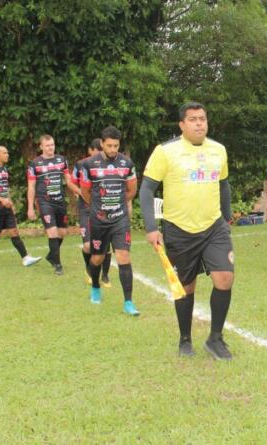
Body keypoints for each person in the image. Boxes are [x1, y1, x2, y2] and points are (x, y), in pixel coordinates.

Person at [140, 102, 235, 360]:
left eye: (202, 118)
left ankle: (216, 338)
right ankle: (185, 339)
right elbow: (147, 189)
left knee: (225, 278)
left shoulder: (219, 150)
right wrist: (151, 228)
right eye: (192, 119)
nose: (198, 123)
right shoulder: (165, 152)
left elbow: (224, 185)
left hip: (214, 226)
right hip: (179, 229)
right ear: (182, 125)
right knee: (186, 287)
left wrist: (226, 218)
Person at [80, 127, 139, 315]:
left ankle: (128, 302)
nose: (113, 149)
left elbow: (131, 190)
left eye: (116, 145)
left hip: (120, 219)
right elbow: (85, 192)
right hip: (98, 220)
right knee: (97, 258)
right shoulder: (89, 164)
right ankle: (96, 286)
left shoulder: (127, 163)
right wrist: (99, 208)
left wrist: (119, 206)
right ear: (102, 144)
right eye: (109, 145)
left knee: (124, 256)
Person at [0, 146, 42, 269]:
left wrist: (10, 202)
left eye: (7, 153)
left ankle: (26, 258)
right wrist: (1, 200)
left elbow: (5, 188)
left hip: (6, 206)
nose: (7, 155)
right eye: (5, 153)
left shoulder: (4, 169)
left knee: (14, 231)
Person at [26, 134, 80, 275]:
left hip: (60, 201)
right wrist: (30, 207)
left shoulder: (61, 160)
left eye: (52, 145)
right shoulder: (34, 163)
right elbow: (31, 186)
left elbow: (68, 179)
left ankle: (51, 255)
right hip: (44, 202)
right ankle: (57, 264)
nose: (51, 148)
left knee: (62, 232)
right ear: (41, 146)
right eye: (48, 145)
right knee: (52, 232)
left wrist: (76, 190)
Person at [71, 138, 111, 286]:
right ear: (90, 150)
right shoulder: (81, 165)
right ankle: (89, 270)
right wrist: (79, 191)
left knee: (106, 246)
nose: (100, 154)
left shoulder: (109, 166)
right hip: (86, 210)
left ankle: (105, 276)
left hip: (104, 209)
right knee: (88, 245)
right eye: (97, 151)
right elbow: (71, 181)